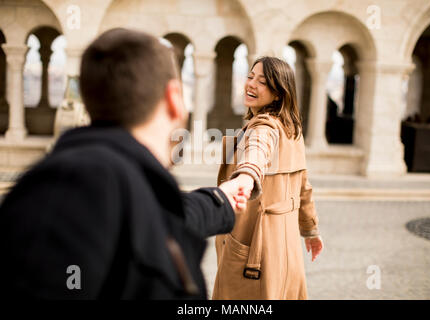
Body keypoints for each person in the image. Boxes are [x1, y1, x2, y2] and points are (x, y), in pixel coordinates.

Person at [0, 28, 250, 299]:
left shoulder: (115, 180)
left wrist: (220, 198)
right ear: (174, 98)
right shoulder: (81, 179)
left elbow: (162, 217)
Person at [213, 57, 324, 300]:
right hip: (285, 250)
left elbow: (257, 151)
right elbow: (304, 187)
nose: (251, 84)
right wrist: (311, 230)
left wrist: (246, 176)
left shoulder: (263, 127)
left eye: (262, 81)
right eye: (250, 76)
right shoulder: (292, 129)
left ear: (278, 94)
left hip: (255, 253)